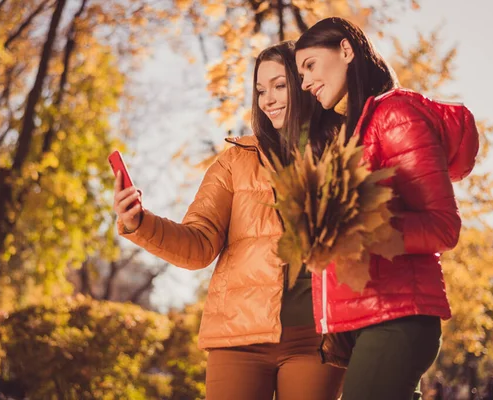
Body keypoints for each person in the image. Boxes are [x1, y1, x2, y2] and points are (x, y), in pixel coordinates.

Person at [113, 41, 345, 400]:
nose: (267, 99)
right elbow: (198, 245)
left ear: (305, 83)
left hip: (315, 340)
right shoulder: (234, 162)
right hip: (238, 337)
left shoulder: (344, 151)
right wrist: (140, 223)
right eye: (260, 90)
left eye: (280, 86)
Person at [294, 17, 479, 400]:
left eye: (309, 65)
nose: (304, 83)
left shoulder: (395, 115)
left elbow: (444, 227)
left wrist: (362, 225)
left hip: (398, 317)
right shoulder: (355, 130)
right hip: (370, 320)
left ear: (346, 50)